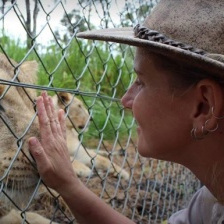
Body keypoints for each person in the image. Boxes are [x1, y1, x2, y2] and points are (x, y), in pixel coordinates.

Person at [28, 0, 224, 223]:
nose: (125, 100)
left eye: (140, 82)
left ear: (204, 106)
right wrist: (68, 185)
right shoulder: (211, 200)